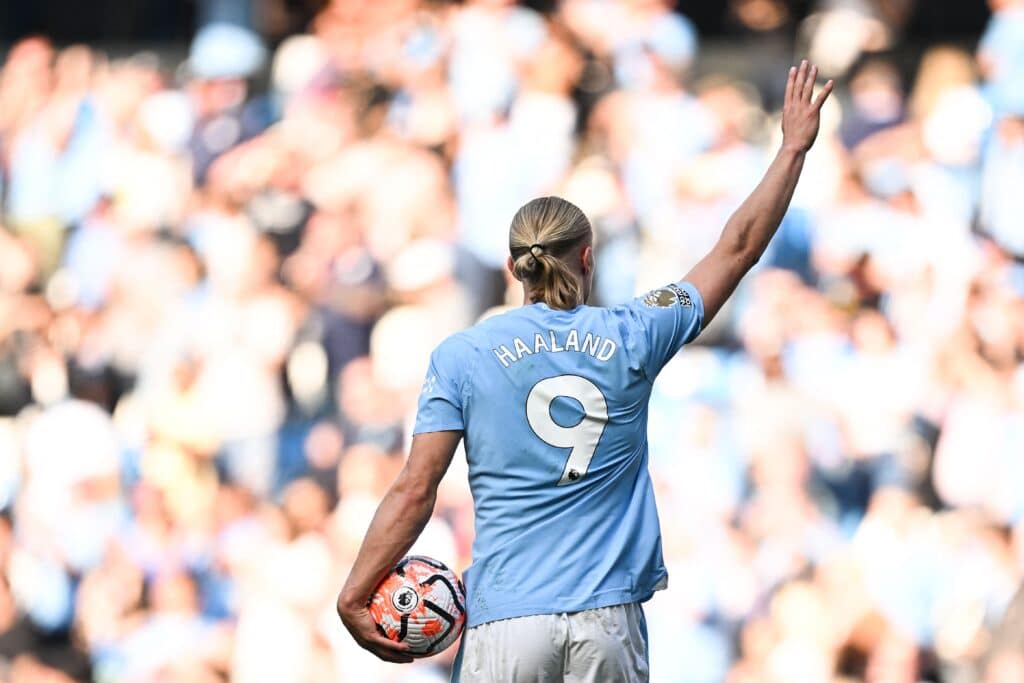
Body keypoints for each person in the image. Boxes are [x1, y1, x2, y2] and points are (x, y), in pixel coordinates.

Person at [337, 61, 833, 681]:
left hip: (507, 619)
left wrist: (354, 593)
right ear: (588, 256)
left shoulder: (461, 356)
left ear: (514, 266)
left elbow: (416, 489)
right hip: (607, 619)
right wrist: (790, 149)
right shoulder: (635, 332)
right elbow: (736, 247)